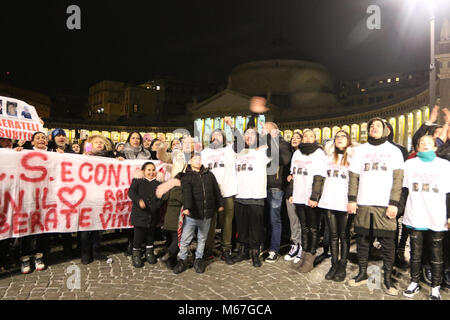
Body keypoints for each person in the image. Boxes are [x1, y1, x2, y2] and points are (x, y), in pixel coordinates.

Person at [347, 118, 404, 296]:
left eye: (378, 126)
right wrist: (352, 199)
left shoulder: (394, 151)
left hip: (385, 203)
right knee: (362, 241)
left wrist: (394, 203)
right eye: (371, 126)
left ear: (386, 130)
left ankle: (387, 279)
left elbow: (398, 179)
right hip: (363, 201)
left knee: (388, 243)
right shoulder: (360, 150)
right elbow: (354, 177)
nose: (374, 128)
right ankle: (363, 273)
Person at [402, 135, 450, 300]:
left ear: (435, 147)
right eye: (421, 143)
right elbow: (404, 189)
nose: (424, 144)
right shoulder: (409, 164)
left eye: (428, 142)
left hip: (437, 215)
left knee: (437, 253)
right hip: (416, 212)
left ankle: (435, 287)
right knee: (415, 252)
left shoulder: (444, 165)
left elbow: (449, 193)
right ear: (417, 147)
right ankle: (414, 282)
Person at [201, 116, 243, 264]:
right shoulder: (205, 152)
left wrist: (231, 125)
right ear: (211, 138)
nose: (216, 137)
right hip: (211, 193)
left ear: (224, 139)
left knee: (227, 221)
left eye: (220, 135)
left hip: (228, 190)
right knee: (210, 222)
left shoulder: (229, 149)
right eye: (214, 135)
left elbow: (241, 142)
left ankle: (226, 249)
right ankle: (208, 249)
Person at [173, 153, 224, 274]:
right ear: (190, 161)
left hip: (207, 214)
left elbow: (216, 190)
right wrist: (187, 207)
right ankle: (182, 259)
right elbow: (187, 193)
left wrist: (220, 204)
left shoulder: (209, 175)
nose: (198, 160)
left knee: (202, 238)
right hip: (192, 214)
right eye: (195, 158)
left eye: (199, 158)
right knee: (186, 238)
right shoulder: (187, 176)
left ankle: (199, 259)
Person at [287, 129, 327, 273]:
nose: (308, 138)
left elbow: (319, 177)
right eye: (306, 136)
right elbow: (293, 174)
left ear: (315, 138)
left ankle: (310, 257)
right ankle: (304, 254)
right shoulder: (297, 153)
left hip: (310, 197)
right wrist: (291, 193)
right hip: (298, 195)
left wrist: (314, 197)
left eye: (311, 136)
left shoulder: (319, 153)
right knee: (303, 227)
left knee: (313, 228)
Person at [233, 124, 271, 267]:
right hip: (239, 195)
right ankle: (243, 251)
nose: (249, 136)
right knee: (242, 227)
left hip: (256, 196)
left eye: (252, 134)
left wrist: (266, 134)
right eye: (246, 134)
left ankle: (255, 253)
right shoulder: (238, 153)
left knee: (256, 228)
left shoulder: (262, 151)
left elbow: (274, 149)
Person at [318, 130, 354, 282]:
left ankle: (342, 266)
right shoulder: (327, 158)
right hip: (329, 200)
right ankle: (333, 264)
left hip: (344, 201)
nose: (339, 139)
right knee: (333, 236)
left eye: (343, 137)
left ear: (348, 140)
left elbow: (355, 182)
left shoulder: (353, 158)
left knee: (344, 236)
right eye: (337, 137)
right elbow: (320, 178)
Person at [15, 132, 52, 273]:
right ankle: (25, 258)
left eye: (43, 137)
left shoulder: (54, 154)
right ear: (32, 141)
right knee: (27, 226)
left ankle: (39, 256)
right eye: (38, 138)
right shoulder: (25, 153)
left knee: (43, 227)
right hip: (28, 196)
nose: (41, 140)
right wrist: (16, 151)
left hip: (47, 196)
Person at [78, 135, 114, 264]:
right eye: (96, 142)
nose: (99, 144)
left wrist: (120, 160)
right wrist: (84, 156)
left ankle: (96, 250)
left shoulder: (110, 158)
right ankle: (85, 252)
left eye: (102, 143)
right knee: (85, 226)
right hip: (86, 196)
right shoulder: (83, 156)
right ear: (90, 145)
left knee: (98, 226)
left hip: (101, 196)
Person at [262, 122, 292, 263]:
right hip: (261, 187)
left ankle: (274, 250)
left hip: (275, 186)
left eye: (266, 129)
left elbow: (285, 160)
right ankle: (265, 245)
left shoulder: (282, 143)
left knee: (275, 220)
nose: (263, 131)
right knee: (265, 220)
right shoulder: (262, 144)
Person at [128, 162, 162, 268]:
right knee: (138, 235)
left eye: (153, 170)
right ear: (143, 171)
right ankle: (136, 254)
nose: (151, 172)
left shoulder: (158, 183)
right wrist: (139, 201)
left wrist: (157, 206)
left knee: (150, 234)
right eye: (149, 170)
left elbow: (161, 196)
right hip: (139, 214)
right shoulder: (138, 181)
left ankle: (149, 252)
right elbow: (131, 192)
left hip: (152, 214)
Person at [284, 132, 303, 263]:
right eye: (293, 138)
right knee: (293, 220)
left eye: (298, 138)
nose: (294, 140)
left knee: (302, 221)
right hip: (290, 190)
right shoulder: (290, 153)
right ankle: (295, 244)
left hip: (303, 192)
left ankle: (302, 246)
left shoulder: (308, 154)